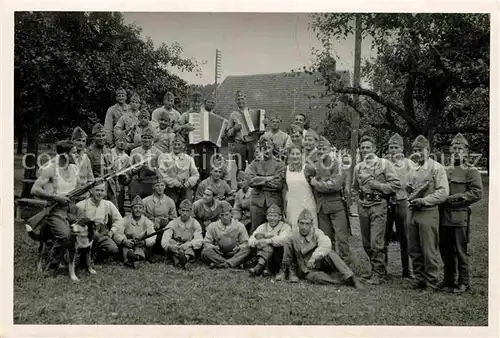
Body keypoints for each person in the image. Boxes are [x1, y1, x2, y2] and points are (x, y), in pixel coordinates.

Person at [351, 135, 401, 285]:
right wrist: (358, 199)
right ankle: (374, 269)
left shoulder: (384, 164)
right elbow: (354, 187)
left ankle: (379, 272)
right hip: (363, 205)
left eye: (368, 147)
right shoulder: (358, 167)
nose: (365, 150)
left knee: (376, 242)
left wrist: (377, 185)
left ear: (374, 148)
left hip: (379, 204)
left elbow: (395, 185)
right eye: (363, 148)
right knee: (366, 243)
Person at [439, 133, 483, 294]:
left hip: (459, 215)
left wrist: (459, 197)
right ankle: (448, 279)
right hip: (444, 215)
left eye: (460, 148)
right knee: (445, 248)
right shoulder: (445, 169)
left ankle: (464, 282)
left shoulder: (471, 170)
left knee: (460, 249)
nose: (457, 151)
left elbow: (477, 193)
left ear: (466, 151)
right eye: (454, 148)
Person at [277, 209, 361, 288]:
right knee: (316, 278)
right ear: (297, 223)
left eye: (307, 224)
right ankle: (343, 281)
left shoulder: (317, 233)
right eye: (301, 223)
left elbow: (325, 244)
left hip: (318, 261)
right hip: (305, 269)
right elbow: (286, 255)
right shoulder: (292, 235)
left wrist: (314, 257)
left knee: (330, 252)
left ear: (311, 224)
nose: (304, 227)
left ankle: (351, 276)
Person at [407, 135, 449, 290]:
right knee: (414, 248)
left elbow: (443, 192)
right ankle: (419, 278)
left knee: (428, 248)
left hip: (428, 211)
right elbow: (409, 186)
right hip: (413, 211)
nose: (418, 153)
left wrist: (424, 200)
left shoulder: (437, 168)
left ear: (428, 150)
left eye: (421, 150)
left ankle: (432, 281)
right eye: (415, 150)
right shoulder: (413, 168)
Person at [30, 140, 79, 268]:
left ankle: (61, 257)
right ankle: (53, 261)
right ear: (64, 155)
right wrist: (56, 197)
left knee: (85, 231)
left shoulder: (74, 168)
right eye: (74, 152)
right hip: (56, 208)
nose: (77, 155)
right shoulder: (51, 169)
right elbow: (34, 190)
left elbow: (78, 188)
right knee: (65, 235)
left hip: (72, 208)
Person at [305, 137, 351, 265]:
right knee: (327, 238)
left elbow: (334, 185)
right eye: (319, 149)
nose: (321, 151)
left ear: (330, 149)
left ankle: (345, 265)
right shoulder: (315, 165)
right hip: (321, 206)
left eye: (324, 148)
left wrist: (317, 183)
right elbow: (306, 175)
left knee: (342, 237)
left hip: (336, 205)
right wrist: (324, 182)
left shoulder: (337, 164)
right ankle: (331, 265)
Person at [384, 133, 415, 279]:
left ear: (402, 148)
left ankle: (407, 270)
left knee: (405, 236)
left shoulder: (409, 164)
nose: (393, 150)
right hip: (386, 203)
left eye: (396, 147)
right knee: (383, 235)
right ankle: (382, 268)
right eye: (391, 147)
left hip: (402, 201)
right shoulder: (383, 163)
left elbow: (414, 182)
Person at [245, 137, 286, 234]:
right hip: (257, 203)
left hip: (274, 202)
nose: (266, 150)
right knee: (255, 232)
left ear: (273, 147)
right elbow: (250, 182)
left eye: (268, 147)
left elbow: (278, 184)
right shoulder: (255, 163)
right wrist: (270, 178)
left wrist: (259, 179)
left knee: (275, 232)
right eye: (263, 148)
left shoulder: (279, 164)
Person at [177, 95, 223, 180]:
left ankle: (204, 187)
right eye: (194, 101)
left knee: (207, 168)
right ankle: (193, 188)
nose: (196, 104)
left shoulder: (206, 114)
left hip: (206, 146)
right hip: (192, 145)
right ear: (191, 102)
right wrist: (184, 126)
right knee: (194, 167)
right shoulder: (186, 114)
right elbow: (176, 127)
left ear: (201, 103)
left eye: (198, 102)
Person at [76, 182, 122, 263]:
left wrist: (112, 231)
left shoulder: (108, 204)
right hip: (86, 236)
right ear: (91, 191)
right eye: (97, 190)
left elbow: (119, 219)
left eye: (102, 190)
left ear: (105, 192)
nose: (99, 193)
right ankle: (87, 258)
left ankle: (95, 256)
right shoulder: (82, 205)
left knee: (113, 249)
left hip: (102, 233)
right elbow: (75, 221)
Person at [201, 201, 252, 269]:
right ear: (219, 215)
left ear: (231, 214)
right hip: (218, 252)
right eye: (222, 215)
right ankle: (231, 263)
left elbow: (245, 243)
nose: (224, 217)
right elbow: (206, 242)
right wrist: (213, 246)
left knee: (247, 250)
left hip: (234, 252)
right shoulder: (212, 226)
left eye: (226, 214)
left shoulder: (239, 226)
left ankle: (222, 264)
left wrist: (239, 247)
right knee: (205, 251)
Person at [112, 195, 157, 268]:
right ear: (131, 209)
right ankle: (131, 259)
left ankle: (135, 259)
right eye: (135, 207)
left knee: (141, 248)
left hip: (141, 245)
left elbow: (153, 236)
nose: (138, 210)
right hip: (128, 244)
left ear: (143, 210)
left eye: (140, 207)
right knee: (125, 247)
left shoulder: (147, 222)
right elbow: (117, 233)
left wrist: (145, 242)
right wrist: (124, 241)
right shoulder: (125, 220)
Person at [248, 204, 292, 277]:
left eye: (275, 216)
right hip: (263, 256)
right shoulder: (263, 226)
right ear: (266, 217)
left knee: (270, 245)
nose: (272, 218)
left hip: (278, 259)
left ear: (280, 217)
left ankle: (259, 267)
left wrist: (268, 240)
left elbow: (284, 239)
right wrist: (258, 242)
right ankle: (264, 269)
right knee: (266, 246)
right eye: (270, 216)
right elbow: (251, 240)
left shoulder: (285, 227)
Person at [225, 90, 264, 170]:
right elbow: (228, 134)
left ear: (245, 99)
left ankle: (253, 182)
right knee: (239, 168)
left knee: (254, 167)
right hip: (239, 144)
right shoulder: (233, 114)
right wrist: (235, 129)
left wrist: (263, 125)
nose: (240, 101)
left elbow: (260, 131)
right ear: (236, 101)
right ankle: (240, 182)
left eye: (242, 98)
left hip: (251, 143)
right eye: (238, 99)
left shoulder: (253, 112)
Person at [157, 133, 200, 205]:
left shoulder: (189, 159)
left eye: (179, 144)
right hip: (170, 188)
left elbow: (195, 174)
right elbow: (162, 173)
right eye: (174, 144)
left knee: (187, 205)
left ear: (183, 146)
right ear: (171, 145)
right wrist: (173, 182)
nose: (176, 147)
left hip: (185, 187)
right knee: (170, 205)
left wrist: (188, 182)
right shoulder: (164, 157)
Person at [284, 145, 318, 230]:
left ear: (302, 154)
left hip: (308, 203)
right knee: (294, 230)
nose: (295, 156)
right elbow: (285, 189)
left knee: (309, 229)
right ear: (289, 155)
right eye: (293, 154)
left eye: (297, 154)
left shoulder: (308, 169)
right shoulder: (285, 170)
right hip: (292, 205)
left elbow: (315, 189)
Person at [161, 199, 203, 269]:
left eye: (187, 211)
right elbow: (165, 237)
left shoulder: (195, 223)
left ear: (191, 212)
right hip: (176, 245)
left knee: (191, 249)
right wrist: (170, 246)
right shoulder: (173, 223)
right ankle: (183, 261)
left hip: (188, 245)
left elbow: (199, 239)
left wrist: (188, 244)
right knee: (171, 244)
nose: (185, 213)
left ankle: (183, 259)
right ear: (179, 211)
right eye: (183, 210)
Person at [143, 178, 178, 255]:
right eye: (157, 185)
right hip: (150, 227)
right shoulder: (145, 201)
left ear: (165, 187)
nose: (160, 188)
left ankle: (167, 251)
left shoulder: (170, 201)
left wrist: (165, 223)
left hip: (164, 228)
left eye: (162, 185)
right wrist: (152, 222)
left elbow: (174, 219)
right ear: (153, 187)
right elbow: (141, 217)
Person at [87, 123, 118, 207]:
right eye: (98, 136)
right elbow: (89, 174)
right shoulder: (89, 152)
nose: (101, 138)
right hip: (98, 189)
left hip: (111, 188)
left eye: (103, 135)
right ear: (93, 137)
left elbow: (112, 169)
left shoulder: (108, 150)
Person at [128, 126, 163, 199]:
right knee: (134, 189)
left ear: (152, 139)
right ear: (141, 138)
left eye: (149, 138)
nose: (146, 140)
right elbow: (129, 168)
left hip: (151, 179)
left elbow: (161, 170)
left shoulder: (158, 153)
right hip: (138, 179)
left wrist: (152, 169)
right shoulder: (134, 151)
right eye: (144, 137)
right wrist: (134, 170)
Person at [70, 127, 94, 200]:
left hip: (84, 195)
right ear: (72, 141)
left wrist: (89, 192)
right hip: (70, 195)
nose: (81, 143)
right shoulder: (68, 156)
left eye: (83, 141)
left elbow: (91, 178)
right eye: (78, 140)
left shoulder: (86, 158)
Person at [111, 129, 131, 215]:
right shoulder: (110, 153)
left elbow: (128, 171)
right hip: (110, 181)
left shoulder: (127, 157)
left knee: (120, 200)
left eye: (124, 141)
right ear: (115, 142)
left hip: (120, 182)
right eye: (119, 140)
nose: (122, 143)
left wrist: (125, 176)